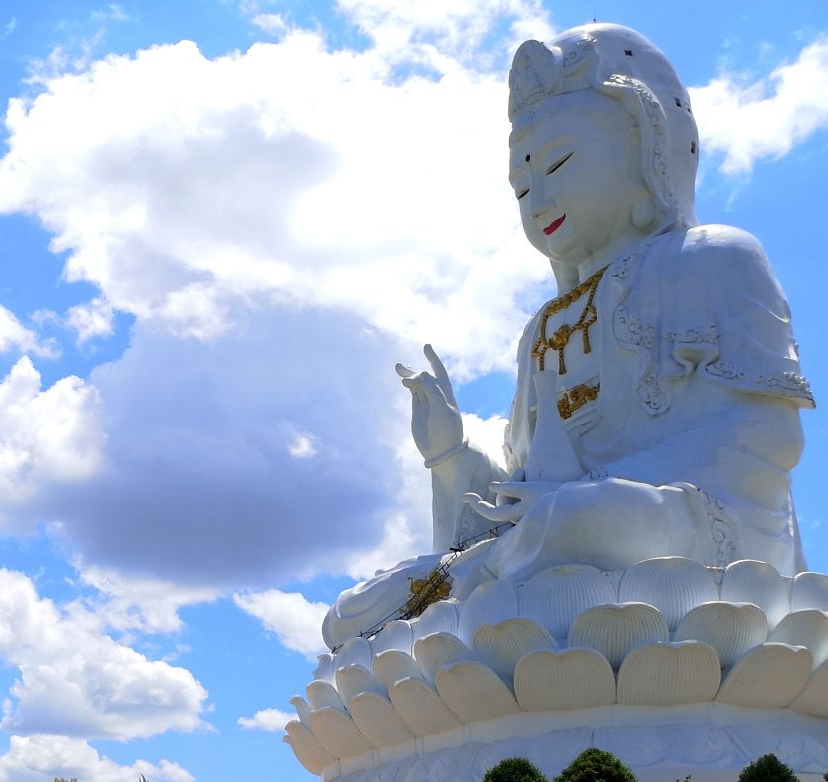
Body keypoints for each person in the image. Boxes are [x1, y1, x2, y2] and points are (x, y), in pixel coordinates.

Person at [323, 23, 812, 649]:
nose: (537, 197)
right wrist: (452, 458)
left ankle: (499, 612)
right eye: (522, 187)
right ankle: (488, 601)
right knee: (353, 613)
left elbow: (767, 437)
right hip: (547, 547)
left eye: (558, 163)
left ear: (643, 148)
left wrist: (582, 499)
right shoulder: (540, 331)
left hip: (687, 537)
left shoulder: (713, 258)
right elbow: (519, 489)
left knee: (580, 523)